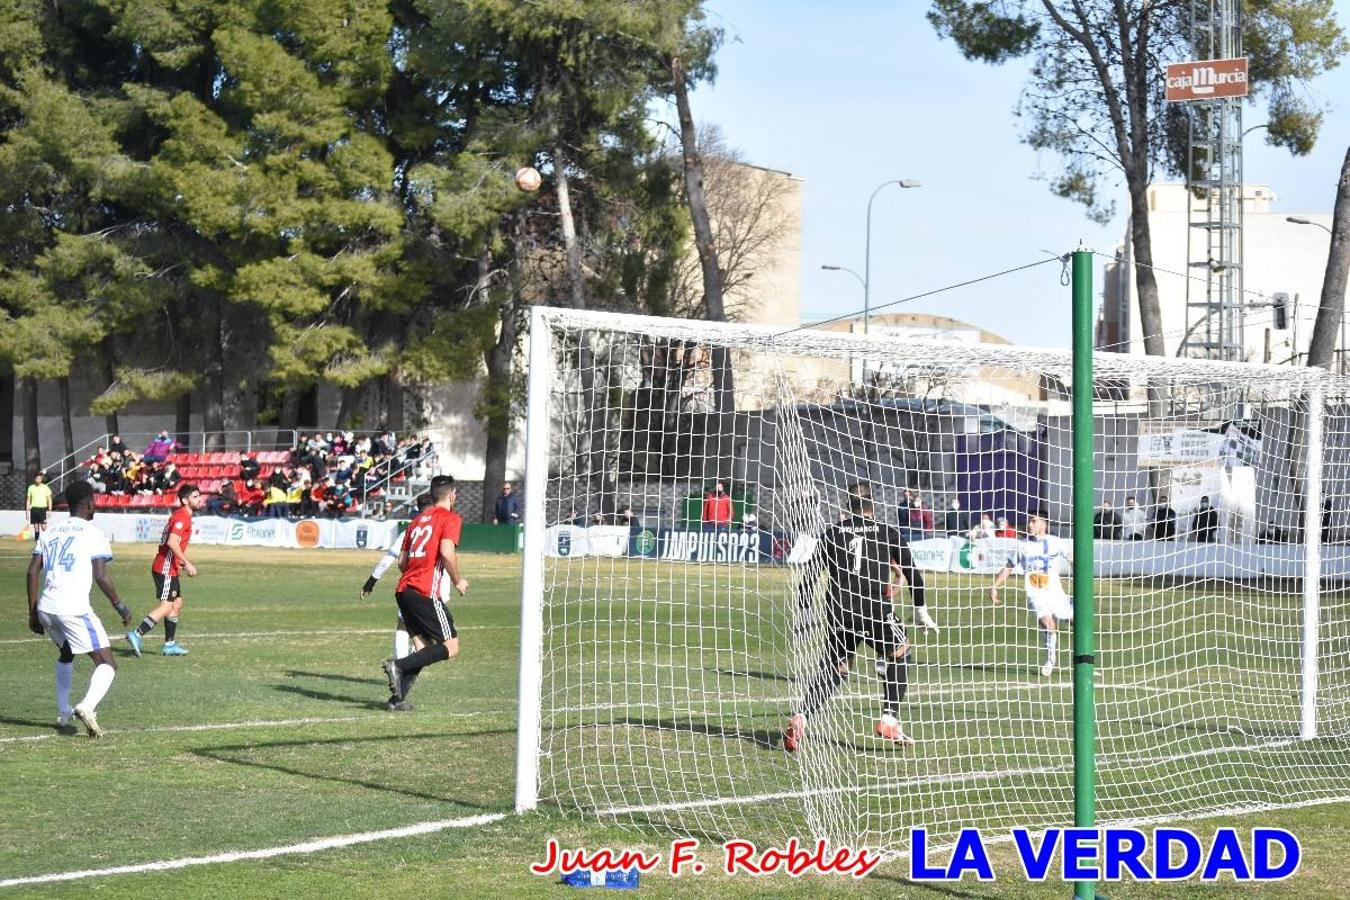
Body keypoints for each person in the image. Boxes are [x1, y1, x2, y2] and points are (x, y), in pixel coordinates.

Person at [784, 492, 922, 751]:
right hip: (873, 608)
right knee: (901, 650)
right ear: (873, 508)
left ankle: (801, 715)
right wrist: (921, 608)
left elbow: (811, 572)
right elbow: (910, 571)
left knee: (838, 669)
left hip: (839, 610)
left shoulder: (834, 532)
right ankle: (889, 719)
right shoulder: (885, 531)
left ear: (848, 509)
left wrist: (804, 609)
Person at [27, 481, 130, 738]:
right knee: (107, 663)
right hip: (72, 608)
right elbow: (101, 576)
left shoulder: (50, 532)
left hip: (47, 606)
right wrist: (121, 607)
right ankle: (86, 706)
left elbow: (32, 571)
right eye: (94, 500)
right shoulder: (93, 533)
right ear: (89, 502)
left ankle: (63, 711)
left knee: (66, 651)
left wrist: (32, 612)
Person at [382, 475, 467, 706]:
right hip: (423, 591)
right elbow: (447, 553)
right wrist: (458, 580)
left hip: (403, 591)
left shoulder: (416, 521)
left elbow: (402, 562)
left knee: (423, 649)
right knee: (451, 647)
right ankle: (397, 665)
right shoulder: (450, 518)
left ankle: (396, 700)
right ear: (451, 495)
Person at [362, 493, 436, 710]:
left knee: (405, 628)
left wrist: (370, 582)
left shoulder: (409, 530)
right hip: (429, 591)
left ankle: (399, 682)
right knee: (434, 646)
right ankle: (400, 674)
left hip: (408, 589)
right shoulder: (438, 529)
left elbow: (392, 559)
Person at [989, 513, 1073, 677]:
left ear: (1044, 524)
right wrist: (994, 586)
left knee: (1075, 621)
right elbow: (1009, 567)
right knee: (1047, 623)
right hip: (1036, 593)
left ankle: (1085, 658)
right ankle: (1051, 658)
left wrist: (1074, 563)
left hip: (1055, 592)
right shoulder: (1023, 546)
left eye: (1033, 521)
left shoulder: (1055, 542)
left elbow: (1071, 557)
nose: (1029, 525)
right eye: (1029, 521)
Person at [126, 483, 203, 657]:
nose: (200, 499)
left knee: (177, 603)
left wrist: (180, 563)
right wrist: (187, 563)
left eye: (199, 496)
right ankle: (137, 634)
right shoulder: (182, 516)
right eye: (196, 496)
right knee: (167, 605)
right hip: (165, 568)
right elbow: (172, 542)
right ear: (185, 500)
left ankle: (169, 645)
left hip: (169, 567)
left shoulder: (182, 516)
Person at [26, 470, 53, 537]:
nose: (39, 480)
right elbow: (28, 500)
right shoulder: (31, 487)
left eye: (40, 478)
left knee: (43, 527)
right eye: (37, 478)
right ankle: (37, 542)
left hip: (42, 509)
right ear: (34, 479)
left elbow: (49, 499)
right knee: (36, 528)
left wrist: (50, 510)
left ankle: (48, 539)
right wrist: (27, 511)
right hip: (34, 509)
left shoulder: (45, 487)